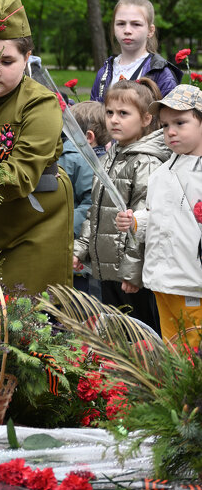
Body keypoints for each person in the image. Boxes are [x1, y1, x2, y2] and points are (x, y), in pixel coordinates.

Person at [0, 0, 74, 294]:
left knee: (22, 322)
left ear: (27, 58)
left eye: (7, 61)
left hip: (33, 228)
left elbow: (20, 176)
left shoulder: (41, 103)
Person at [74, 78, 170, 331]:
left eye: (123, 114)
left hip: (130, 276)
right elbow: (95, 212)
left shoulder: (146, 163)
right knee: (116, 335)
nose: (114, 120)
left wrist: (132, 272)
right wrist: (80, 249)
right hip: (109, 270)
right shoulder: (109, 157)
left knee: (140, 335)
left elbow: (144, 221)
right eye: (109, 113)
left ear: (146, 119)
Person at [116, 85, 202, 345]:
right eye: (164, 125)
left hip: (193, 282)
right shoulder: (161, 173)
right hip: (162, 280)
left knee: (194, 350)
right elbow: (156, 217)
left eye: (180, 122)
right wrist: (135, 222)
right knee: (172, 346)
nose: (171, 131)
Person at [91, 0, 182, 102]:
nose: (127, 30)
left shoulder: (160, 74)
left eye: (136, 24)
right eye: (121, 23)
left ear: (150, 30)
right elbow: (94, 115)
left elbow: (170, 117)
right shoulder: (104, 72)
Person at [59, 101, 109, 295]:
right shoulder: (101, 158)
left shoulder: (76, 158)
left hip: (71, 243)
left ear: (88, 137)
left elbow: (90, 203)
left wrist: (60, 224)